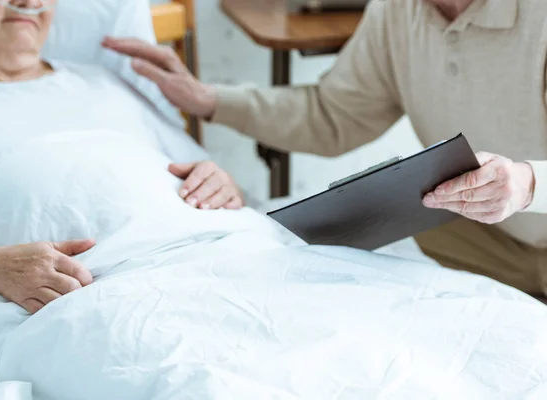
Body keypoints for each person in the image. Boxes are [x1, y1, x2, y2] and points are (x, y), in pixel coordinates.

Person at [102, 0, 547, 297]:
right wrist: (209, 100)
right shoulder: (397, 10)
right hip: (483, 235)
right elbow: (333, 117)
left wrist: (528, 184)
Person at [0, 0, 246, 313]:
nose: (30, 2)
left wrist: (219, 184)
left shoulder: (104, 81)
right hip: (91, 300)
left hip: (209, 262)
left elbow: (207, 174)